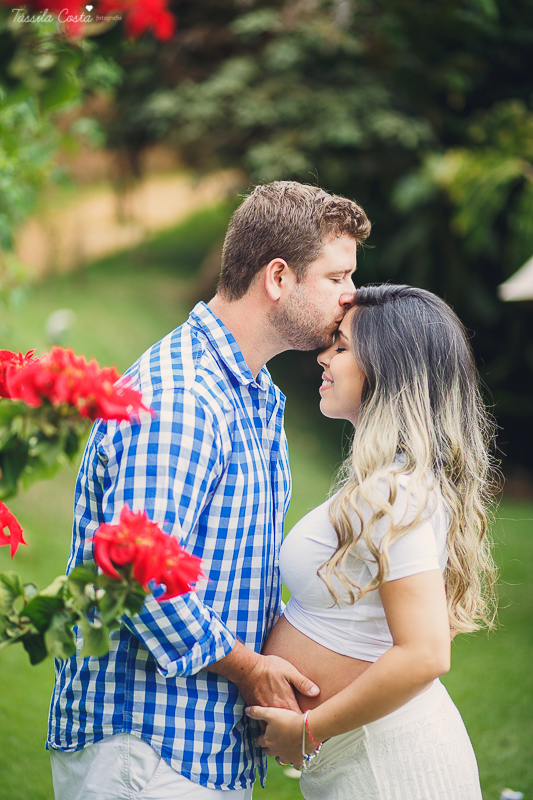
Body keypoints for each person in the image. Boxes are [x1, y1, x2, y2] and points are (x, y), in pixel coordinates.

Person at [47, 181, 371, 800]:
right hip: (144, 748)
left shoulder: (249, 391)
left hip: (194, 747)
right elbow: (137, 577)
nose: (350, 295)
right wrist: (251, 669)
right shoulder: (184, 399)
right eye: (337, 277)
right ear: (278, 277)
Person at [246, 284, 499, 800]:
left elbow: (426, 653)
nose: (324, 357)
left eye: (341, 346)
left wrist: (309, 730)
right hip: (368, 756)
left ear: (389, 368)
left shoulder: (397, 491)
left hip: (390, 767)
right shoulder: (390, 482)